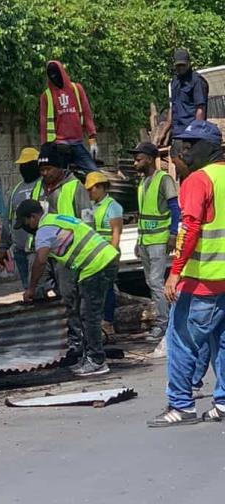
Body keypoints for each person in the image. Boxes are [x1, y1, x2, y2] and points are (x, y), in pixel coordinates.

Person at [147, 120, 225, 427]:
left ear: (208, 148)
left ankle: (181, 405)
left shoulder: (198, 180)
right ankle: (222, 402)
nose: (185, 152)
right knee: (221, 341)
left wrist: (174, 273)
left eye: (191, 146)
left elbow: (189, 228)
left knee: (180, 339)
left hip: (202, 279)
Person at [17, 199, 120, 377]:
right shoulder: (56, 219)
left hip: (96, 265)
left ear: (33, 217)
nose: (26, 227)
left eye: (25, 222)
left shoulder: (43, 230)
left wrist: (31, 288)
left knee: (89, 315)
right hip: (101, 261)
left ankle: (96, 361)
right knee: (85, 312)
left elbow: (40, 261)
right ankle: (90, 357)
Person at [33, 142, 93, 363]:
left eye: (48, 169)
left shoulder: (74, 187)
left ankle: (78, 342)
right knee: (47, 296)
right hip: (47, 253)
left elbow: (87, 220)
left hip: (69, 255)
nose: (45, 173)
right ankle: (59, 341)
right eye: (42, 170)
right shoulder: (40, 188)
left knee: (70, 298)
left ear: (60, 168)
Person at [132, 142, 180, 343]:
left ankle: (164, 323)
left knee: (156, 282)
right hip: (145, 240)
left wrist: (172, 234)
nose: (135, 163)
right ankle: (166, 321)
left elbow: (175, 209)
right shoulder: (142, 183)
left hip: (159, 240)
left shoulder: (163, 179)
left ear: (150, 159)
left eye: (139, 159)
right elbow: (143, 216)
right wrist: (138, 240)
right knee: (151, 282)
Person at [40, 60, 99, 173]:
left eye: (56, 74)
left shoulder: (76, 89)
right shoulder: (46, 96)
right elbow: (44, 125)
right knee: (59, 177)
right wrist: (45, 147)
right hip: (58, 145)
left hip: (77, 142)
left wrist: (92, 139)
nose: (54, 77)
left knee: (94, 175)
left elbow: (87, 113)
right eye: (51, 75)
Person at [85, 172, 123, 337]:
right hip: (94, 255)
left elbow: (116, 233)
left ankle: (108, 322)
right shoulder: (92, 206)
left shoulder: (112, 206)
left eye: (91, 189)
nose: (89, 192)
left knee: (107, 290)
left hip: (107, 254)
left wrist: (111, 255)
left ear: (101, 187)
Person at [0, 147, 42, 290]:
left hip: (37, 249)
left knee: (37, 287)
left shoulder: (44, 186)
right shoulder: (16, 190)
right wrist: (3, 246)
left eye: (27, 164)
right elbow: (8, 219)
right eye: (22, 165)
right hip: (20, 250)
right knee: (27, 288)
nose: (24, 168)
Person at [164, 48, 208, 161]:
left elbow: (200, 109)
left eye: (183, 65)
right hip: (177, 134)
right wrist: (164, 132)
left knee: (190, 168)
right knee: (179, 168)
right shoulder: (174, 82)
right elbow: (172, 107)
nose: (180, 68)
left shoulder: (197, 81)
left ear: (189, 63)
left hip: (190, 135)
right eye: (178, 65)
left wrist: (195, 134)